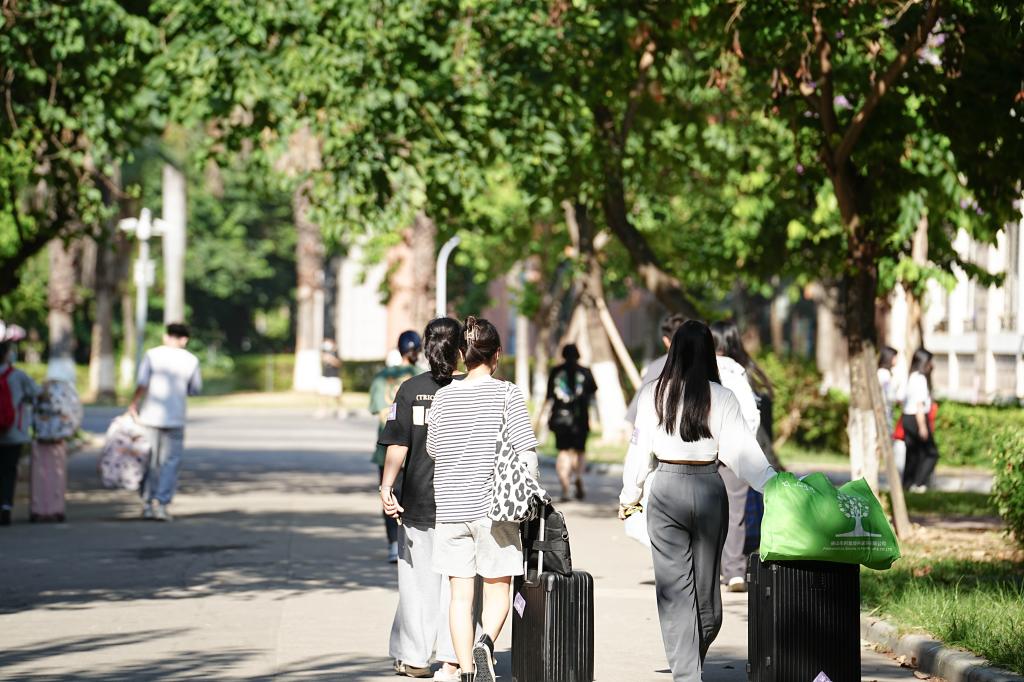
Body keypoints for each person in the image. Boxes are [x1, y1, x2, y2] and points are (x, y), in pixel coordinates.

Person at [618, 320, 775, 682]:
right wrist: (774, 485)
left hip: (670, 490)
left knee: (690, 597)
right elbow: (744, 454)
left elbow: (637, 452)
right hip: (708, 489)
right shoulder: (720, 396)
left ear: (673, 351)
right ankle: (688, 673)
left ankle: (687, 659)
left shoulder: (655, 394)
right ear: (709, 352)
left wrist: (630, 495)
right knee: (695, 592)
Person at [426, 316, 539, 682]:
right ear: (497, 354)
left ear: (462, 354)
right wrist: (531, 493)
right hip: (495, 509)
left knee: (460, 597)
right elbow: (526, 453)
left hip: (451, 508)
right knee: (497, 590)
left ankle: (466, 673)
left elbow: (433, 449)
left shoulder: (443, 397)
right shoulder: (507, 394)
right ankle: (486, 642)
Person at [379, 318, 463, 680]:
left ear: (427, 348)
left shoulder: (411, 390)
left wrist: (386, 487)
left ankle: (414, 657)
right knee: (459, 585)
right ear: (461, 349)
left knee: (417, 585)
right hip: (465, 504)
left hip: (419, 501)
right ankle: (454, 656)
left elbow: (398, 445)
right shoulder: (473, 390)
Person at [709, 320, 763, 593]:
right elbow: (752, 416)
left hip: (702, 451)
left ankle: (709, 570)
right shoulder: (737, 372)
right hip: (734, 452)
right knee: (735, 513)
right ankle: (734, 571)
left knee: (706, 512)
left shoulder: (699, 370)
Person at [129, 323, 202, 522]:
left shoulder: (152, 355)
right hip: (176, 417)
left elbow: (142, 383)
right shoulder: (191, 360)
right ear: (184, 340)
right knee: (171, 463)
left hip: (150, 417)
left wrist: (133, 403)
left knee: (150, 461)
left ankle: (147, 504)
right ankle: (162, 505)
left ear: (166, 337)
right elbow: (195, 389)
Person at [369, 332, 420, 562]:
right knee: (413, 497)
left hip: (386, 448)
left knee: (388, 495)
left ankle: (392, 543)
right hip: (416, 448)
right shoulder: (421, 375)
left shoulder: (382, 377)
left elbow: (379, 410)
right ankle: (412, 543)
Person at [545, 344, 597, 502]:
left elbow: (549, 397)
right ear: (578, 355)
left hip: (560, 418)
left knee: (563, 452)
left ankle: (565, 489)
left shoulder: (556, 372)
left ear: (563, 355)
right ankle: (578, 476)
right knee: (579, 451)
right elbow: (592, 396)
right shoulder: (586, 372)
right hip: (580, 419)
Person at [0, 339, 40, 526]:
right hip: (13, 433)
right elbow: (37, 393)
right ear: (7, 355)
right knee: (9, 471)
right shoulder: (17, 376)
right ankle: (6, 506)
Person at [625, 313, 688, 425]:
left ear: (666, 340)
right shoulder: (705, 363)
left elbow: (636, 410)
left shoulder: (657, 367)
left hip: (665, 428)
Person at [901, 348, 938, 493]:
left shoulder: (911, 376)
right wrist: (922, 426)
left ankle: (907, 484)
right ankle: (919, 482)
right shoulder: (920, 379)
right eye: (929, 362)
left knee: (912, 454)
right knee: (931, 453)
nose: (931, 365)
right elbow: (919, 405)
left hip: (907, 417)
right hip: (917, 418)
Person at [316, 338, 343, 418]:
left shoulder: (336, 353)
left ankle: (340, 409)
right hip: (325, 376)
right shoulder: (324, 352)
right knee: (323, 394)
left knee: (336, 395)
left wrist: (331, 359)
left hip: (334, 376)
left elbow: (339, 363)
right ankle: (323, 409)